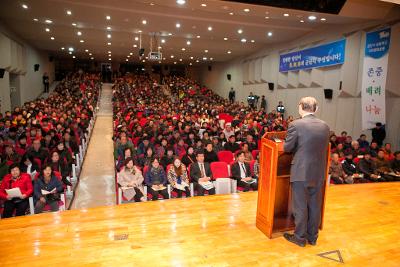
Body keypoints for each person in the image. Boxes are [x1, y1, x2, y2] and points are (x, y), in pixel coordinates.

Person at [282, 96, 330, 247]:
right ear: (316, 109)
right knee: (315, 206)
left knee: (300, 206)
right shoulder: (325, 126)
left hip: (301, 171)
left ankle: (300, 238)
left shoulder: (296, 124)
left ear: (300, 107)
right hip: (318, 172)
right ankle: (313, 237)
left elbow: (287, 148)